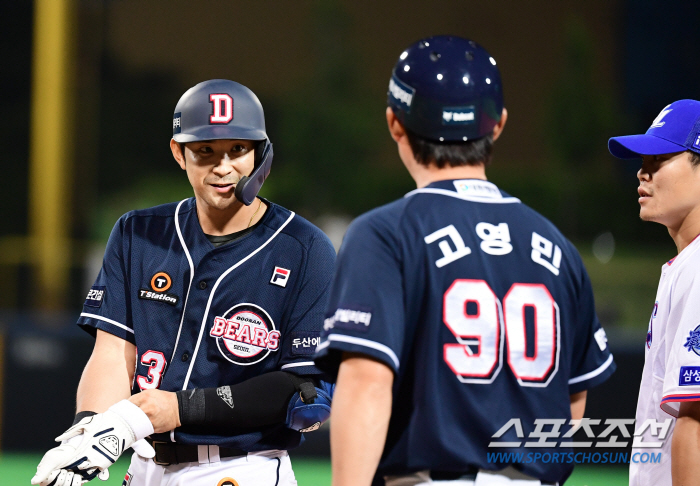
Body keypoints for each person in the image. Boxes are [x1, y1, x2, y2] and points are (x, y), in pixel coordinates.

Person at [314, 35, 616, 486]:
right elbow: (573, 396)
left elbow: (366, 383)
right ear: (498, 125)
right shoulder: (557, 246)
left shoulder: (386, 232)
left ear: (395, 122)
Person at [31, 79, 335, 486]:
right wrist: (89, 430)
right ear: (179, 153)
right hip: (144, 466)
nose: (223, 166)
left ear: (261, 153)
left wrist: (175, 409)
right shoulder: (138, 233)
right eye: (205, 150)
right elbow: (113, 353)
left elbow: (305, 388)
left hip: (241, 468)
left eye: (237, 149)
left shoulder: (304, 248)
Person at [608, 99, 700, 486]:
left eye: (659, 158)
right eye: (643, 160)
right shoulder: (686, 264)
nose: (642, 172)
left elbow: (695, 423)